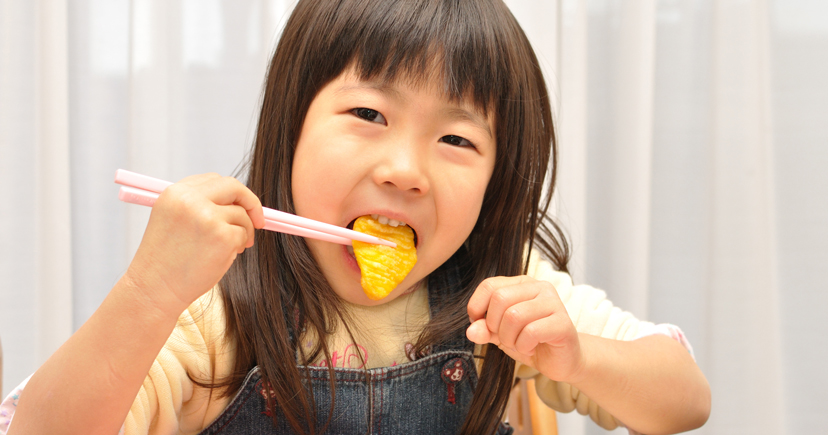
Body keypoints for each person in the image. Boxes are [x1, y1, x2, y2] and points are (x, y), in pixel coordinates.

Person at [3, 1, 710, 434]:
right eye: (368, 114)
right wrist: (150, 294)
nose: (405, 168)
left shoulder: (505, 286)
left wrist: (577, 356)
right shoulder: (216, 306)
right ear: (292, 126)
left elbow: (684, 399)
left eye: (456, 139)